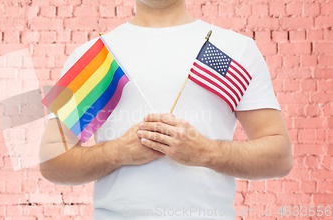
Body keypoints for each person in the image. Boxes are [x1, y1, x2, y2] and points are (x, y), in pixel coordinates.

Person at [39, 0, 293, 219]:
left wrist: (205, 152)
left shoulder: (236, 49)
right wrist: (116, 152)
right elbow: (51, 161)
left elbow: (279, 156)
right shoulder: (91, 56)